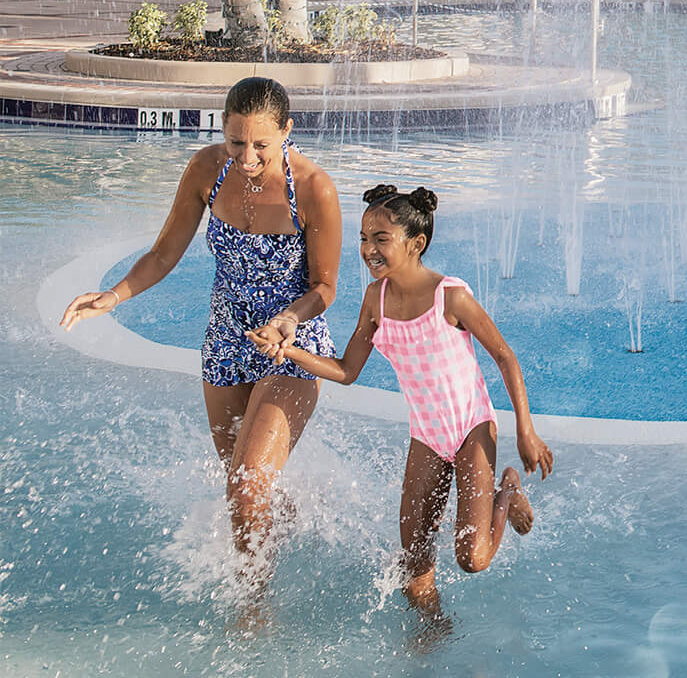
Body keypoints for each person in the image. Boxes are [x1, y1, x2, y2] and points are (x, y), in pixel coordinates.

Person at [59, 76, 340, 600]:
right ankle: (288, 523)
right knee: (242, 487)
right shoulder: (206, 170)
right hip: (226, 345)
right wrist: (113, 296)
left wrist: (288, 319)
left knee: (248, 480)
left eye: (261, 144)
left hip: (291, 346)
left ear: (287, 131)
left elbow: (325, 286)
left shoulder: (314, 188)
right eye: (237, 142)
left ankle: (254, 603)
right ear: (223, 131)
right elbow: (164, 254)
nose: (248, 156)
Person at [255, 183, 551, 617]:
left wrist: (526, 430)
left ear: (416, 244)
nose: (368, 249)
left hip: (472, 429)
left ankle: (507, 489)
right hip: (427, 437)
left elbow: (505, 357)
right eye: (363, 238)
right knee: (414, 561)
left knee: (473, 559)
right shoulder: (375, 300)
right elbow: (347, 371)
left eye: (381, 240)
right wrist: (289, 351)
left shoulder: (450, 296)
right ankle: (433, 625)